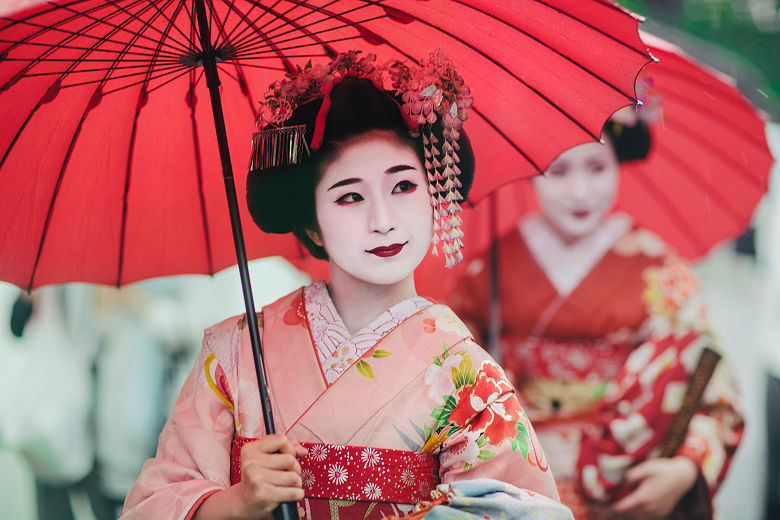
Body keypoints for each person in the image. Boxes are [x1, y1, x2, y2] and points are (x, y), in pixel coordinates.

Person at [120, 51, 571, 520]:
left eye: (403, 187)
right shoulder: (233, 354)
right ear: (312, 225)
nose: (383, 221)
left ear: (436, 196)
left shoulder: (469, 377)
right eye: (350, 197)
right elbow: (149, 507)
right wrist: (235, 502)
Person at [448, 112, 744, 519]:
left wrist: (685, 467)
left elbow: (710, 380)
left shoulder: (658, 270)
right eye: (559, 170)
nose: (580, 191)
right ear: (531, 170)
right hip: (515, 478)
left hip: (623, 476)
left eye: (597, 167)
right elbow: (451, 381)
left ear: (619, 165)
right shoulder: (488, 273)